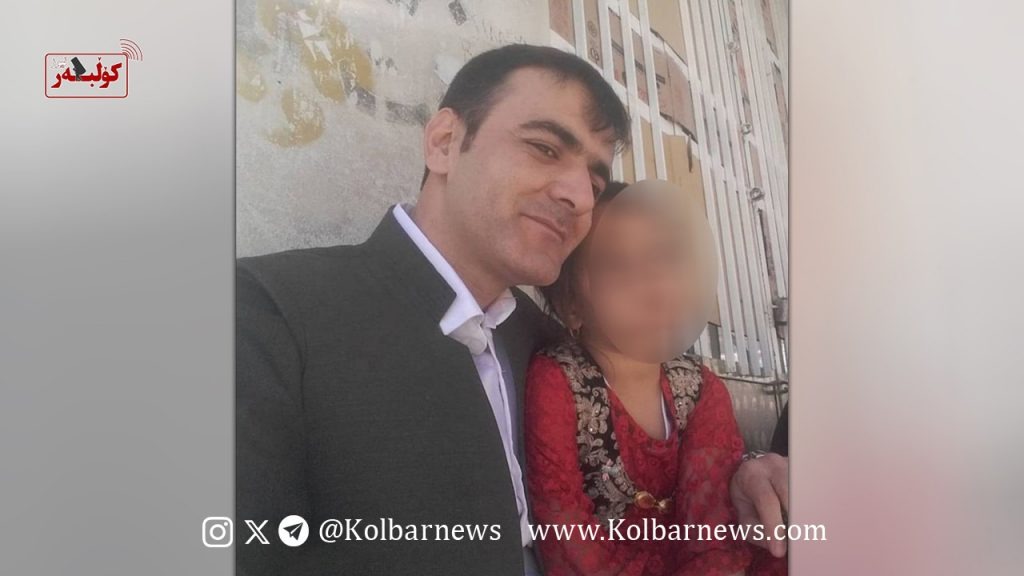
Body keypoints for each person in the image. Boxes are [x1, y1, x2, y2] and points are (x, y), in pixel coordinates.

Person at [238, 44, 787, 576]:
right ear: (445, 142)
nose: (579, 196)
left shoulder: (548, 341)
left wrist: (743, 472)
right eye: (545, 148)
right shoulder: (269, 312)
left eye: (595, 179)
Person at [525, 180, 787, 575]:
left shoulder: (700, 389)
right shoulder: (557, 383)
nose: (654, 284)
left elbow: (710, 531)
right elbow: (566, 541)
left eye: (664, 259)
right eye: (618, 266)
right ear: (570, 304)